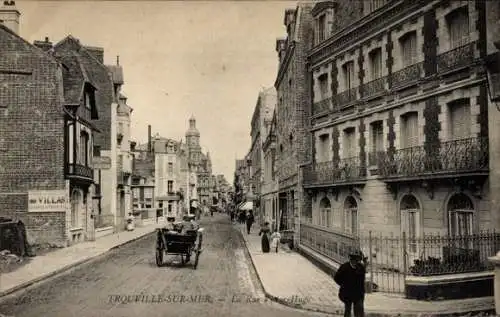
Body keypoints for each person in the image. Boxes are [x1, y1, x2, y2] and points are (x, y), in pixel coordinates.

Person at [334, 249, 367, 317]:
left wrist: (362, 293)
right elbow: (336, 278)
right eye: (356, 260)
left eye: (358, 260)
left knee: (359, 311)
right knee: (348, 310)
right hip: (347, 293)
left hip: (358, 294)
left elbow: (362, 281)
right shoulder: (344, 267)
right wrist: (343, 285)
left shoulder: (360, 267)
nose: (357, 262)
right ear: (351, 259)